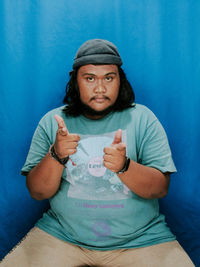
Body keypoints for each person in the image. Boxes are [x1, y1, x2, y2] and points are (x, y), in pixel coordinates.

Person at [1, 39, 194, 267]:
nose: (100, 88)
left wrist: (124, 166)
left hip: (142, 239)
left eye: (109, 78)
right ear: (75, 81)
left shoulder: (143, 118)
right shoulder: (53, 122)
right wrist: (56, 155)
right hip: (62, 236)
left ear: (120, 80)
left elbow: (160, 188)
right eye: (90, 78)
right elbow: (38, 192)